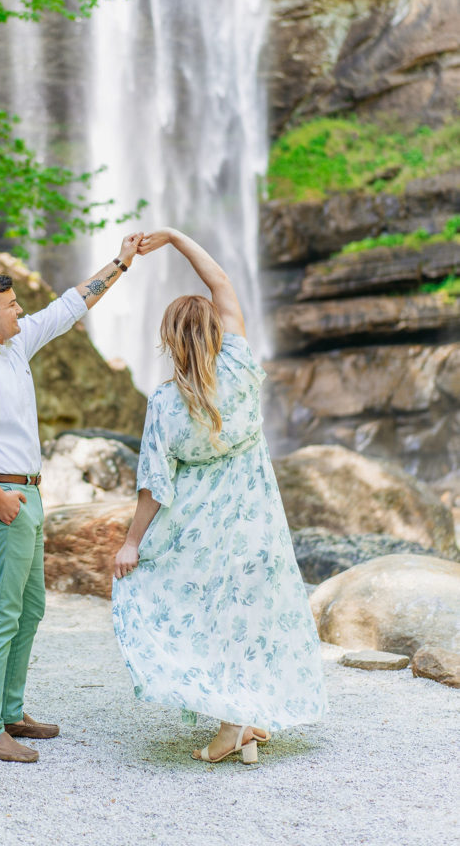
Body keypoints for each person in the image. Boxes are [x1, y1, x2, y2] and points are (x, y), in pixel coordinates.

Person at [113, 228, 327, 765]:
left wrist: (131, 543)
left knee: (204, 617)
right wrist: (175, 238)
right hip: (257, 521)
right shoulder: (238, 365)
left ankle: (233, 727)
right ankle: (250, 718)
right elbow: (222, 281)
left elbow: (153, 485)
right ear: (214, 332)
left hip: (199, 531)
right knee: (249, 615)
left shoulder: (164, 404)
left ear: (168, 341)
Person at [0, 233, 143, 763]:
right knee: (1, 614)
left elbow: (69, 306)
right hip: (0, 499)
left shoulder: (13, 343)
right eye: (10, 306)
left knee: (28, 610)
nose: (20, 310)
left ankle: (8, 711)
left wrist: (121, 262)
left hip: (25, 497)